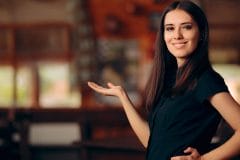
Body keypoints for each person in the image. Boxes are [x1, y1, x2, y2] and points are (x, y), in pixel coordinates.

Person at [87, 0, 240, 160]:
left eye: (186, 27)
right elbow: (152, 142)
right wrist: (123, 97)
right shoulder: (170, 80)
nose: (177, 35)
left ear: (201, 33)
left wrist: (203, 159)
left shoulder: (205, 79)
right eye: (170, 28)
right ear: (163, 35)